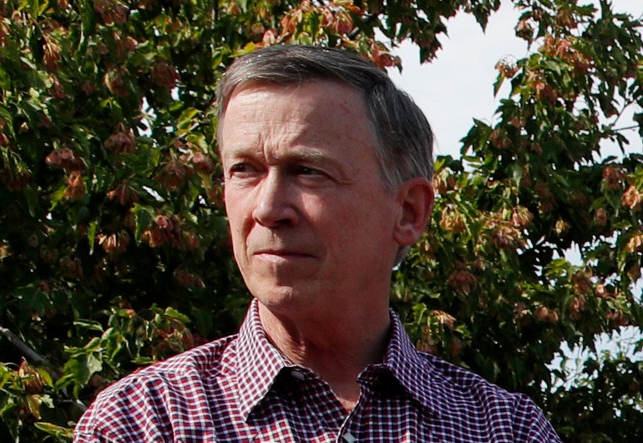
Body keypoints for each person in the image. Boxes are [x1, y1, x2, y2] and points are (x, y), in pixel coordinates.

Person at [73, 45, 561, 442]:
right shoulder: (143, 423)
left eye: (307, 171)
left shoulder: (502, 428)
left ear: (408, 211)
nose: (267, 208)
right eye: (244, 170)